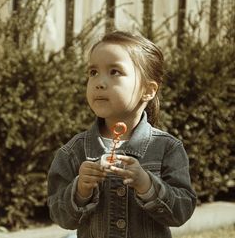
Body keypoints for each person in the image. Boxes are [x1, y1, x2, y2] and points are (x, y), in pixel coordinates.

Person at [47, 31, 196, 238]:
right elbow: (59, 215)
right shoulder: (74, 151)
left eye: (114, 71)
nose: (99, 82)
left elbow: (182, 211)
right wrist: (81, 189)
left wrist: (147, 185)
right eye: (93, 72)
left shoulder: (167, 148)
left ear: (148, 90)